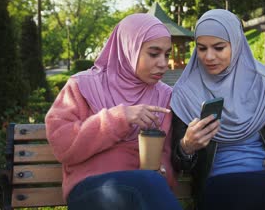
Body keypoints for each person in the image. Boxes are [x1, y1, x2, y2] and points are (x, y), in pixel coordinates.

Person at [170, 9, 265, 210]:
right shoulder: (186, 92)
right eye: (201, 48)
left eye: (219, 48)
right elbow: (180, 163)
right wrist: (187, 146)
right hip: (218, 184)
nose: (209, 56)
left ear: (236, 45)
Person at [45, 13, 182, 210]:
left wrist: (163, 171)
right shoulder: (82, 85)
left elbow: (164, 156)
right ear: (128, 49)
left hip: (144, 191)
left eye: (167, 54)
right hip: (91, 189)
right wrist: (120, 118)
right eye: (154, 53)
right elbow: (62, 144)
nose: (163, 63)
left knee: (149, 183)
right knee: (146, 184)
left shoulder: (164, 95)